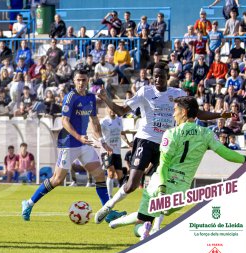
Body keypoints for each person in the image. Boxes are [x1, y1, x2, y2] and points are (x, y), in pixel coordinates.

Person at [94, 62, 230, 224]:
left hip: (166, 144)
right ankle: (108, 206)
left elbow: (197, 113)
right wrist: (106, 99)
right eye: (155, 76)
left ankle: (155, 227)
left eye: (161, 76)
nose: (157, 79)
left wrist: (219, 115)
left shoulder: (177, 94)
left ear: (167, 76)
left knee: (165, 187)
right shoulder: (145, 91)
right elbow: (121, 111)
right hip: (145, 140)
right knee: (131, 184)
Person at [107, 96, 245, 240]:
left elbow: (164, 164)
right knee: (149, 214)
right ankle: (115, 224)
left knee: (142, 221)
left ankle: (142, 231)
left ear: (184, 112)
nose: (173, 114)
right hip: (180, 192)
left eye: (175, 110)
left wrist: (161, 187)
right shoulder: (207, 134)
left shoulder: (171, 133)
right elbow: (226, 153)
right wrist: (244, 159)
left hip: (160, 185)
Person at [21, 69, 124, 222]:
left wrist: (102, 142)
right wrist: (79, 137)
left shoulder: (90, 98)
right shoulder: (70, 97)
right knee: (57, 180)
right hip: (69, 143)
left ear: (88, 80)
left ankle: (107, 212)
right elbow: (64, 121)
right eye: (78, 80)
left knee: (100, 176)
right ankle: (28, 203)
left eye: (84, 80)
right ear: (74, 81)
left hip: (84, 143)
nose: (81, 83)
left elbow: (94, 121)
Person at [100, 107, 132, 198]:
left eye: (113, 109)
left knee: (119, 175)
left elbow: (122, 133)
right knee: (110, 172)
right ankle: (109, 196)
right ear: (107, 110)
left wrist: (128, 142)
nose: (112, 110)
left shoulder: (119, 120)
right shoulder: (104, 122)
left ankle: (118, 194)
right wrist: (101, 143)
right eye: (110, 109)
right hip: (107, 151)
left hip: (117, 151)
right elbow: (97, 132)